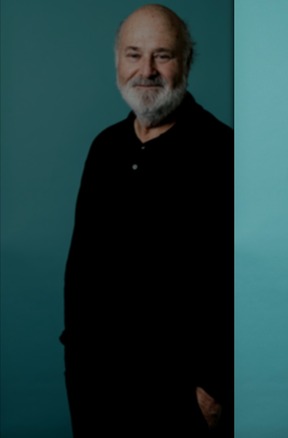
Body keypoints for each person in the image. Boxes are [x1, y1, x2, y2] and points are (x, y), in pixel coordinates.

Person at [61, 5, 233, 436]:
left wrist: (215, 387)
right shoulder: (105, 148)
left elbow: (229, 278)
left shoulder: (221, 150)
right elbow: (79, 269)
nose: (147, 70)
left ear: (186, 63)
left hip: (180, 399)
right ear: (118, 61)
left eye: (163, 55)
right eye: (134, 54)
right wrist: (75, 362)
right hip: (95, 388)